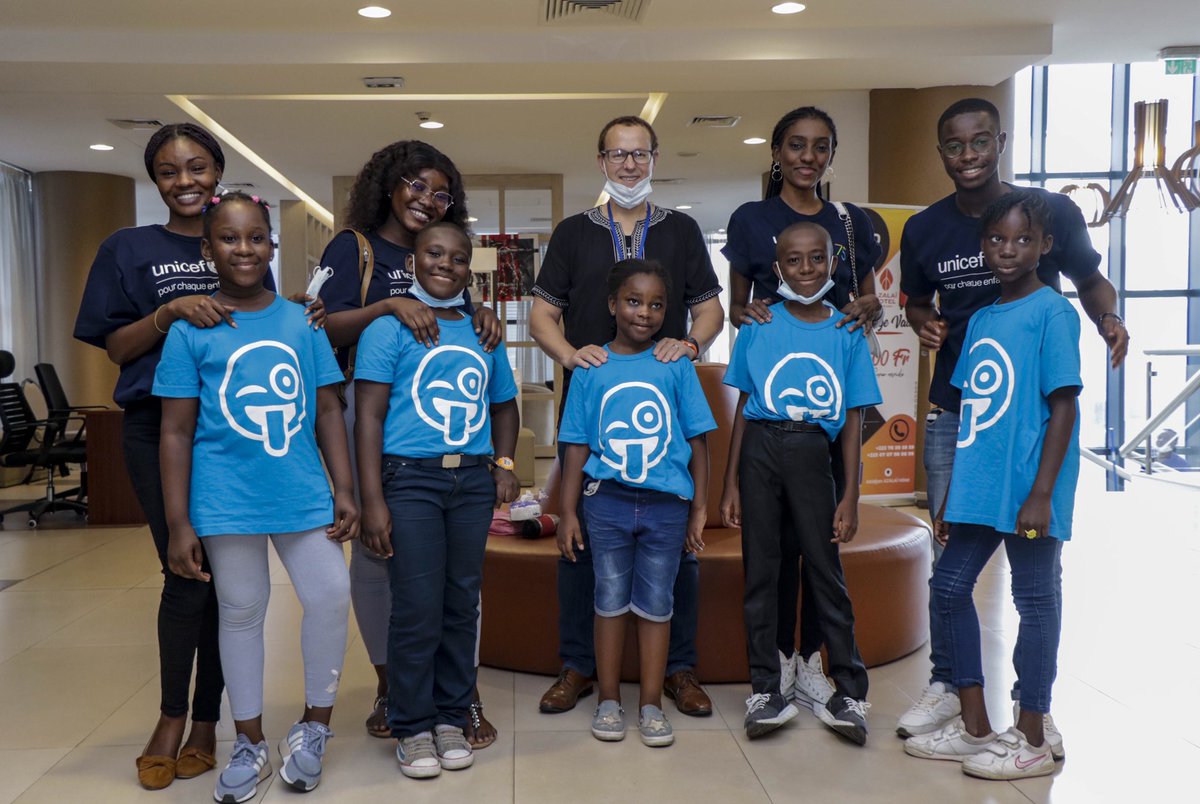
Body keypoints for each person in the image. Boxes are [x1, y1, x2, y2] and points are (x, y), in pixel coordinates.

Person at [72, 123, 318, 791]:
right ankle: (170, 716)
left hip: (237, 437)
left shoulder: (244, 239)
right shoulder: (128, 247)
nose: (186, 180)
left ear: (218, 171)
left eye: (199, 166)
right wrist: (168, 313)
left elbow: (257, 321)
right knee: (187, 575)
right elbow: (115, 349)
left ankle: (212, 722)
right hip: (163, 430)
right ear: (155, 180)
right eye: (170, 170)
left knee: (233, 588)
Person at [897, 97, 1128, 748]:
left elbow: (1090, 280)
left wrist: (1107, 320)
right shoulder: (926, 229)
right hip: (960, 413)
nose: (967, 155)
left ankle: (1034, 712)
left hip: (1028, 424)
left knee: (1033, 580)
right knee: (952, 567)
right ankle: (951, 689)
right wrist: (925, 323)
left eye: (979, 142)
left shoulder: (1049, 218)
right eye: (953, 145)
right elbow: (915, 302)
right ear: (940, 151)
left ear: (1001, 141)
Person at [155, 192, 356, 800]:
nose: (244, 249)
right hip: (224, 499)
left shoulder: (301, 322)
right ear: (207, 247)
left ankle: (314, 727)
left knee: (330, 593)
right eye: (229, 238)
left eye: (255, 238)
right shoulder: (192, 329)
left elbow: (326, 407)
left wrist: (343, 487)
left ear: (272, 244)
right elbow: (175, 430)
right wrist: (178, 523)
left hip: (300, 491)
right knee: (241, 612)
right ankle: (248, 742)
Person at [530, 115, 724, 718]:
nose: (630, 165)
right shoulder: (572, 233)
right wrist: (571, 357)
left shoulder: (684, 230)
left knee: (677, 548)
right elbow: (542, 314)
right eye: (619, 155)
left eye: (640, 155)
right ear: (601, 162)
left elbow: (710, 311)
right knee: (579, 537)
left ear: (655, 159)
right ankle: (579, 667)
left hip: (664, 410)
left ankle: (678, 669)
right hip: (593, 409)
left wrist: (690, 346)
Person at [318, 140, 502, 748]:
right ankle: (393, 687)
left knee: (452, 585)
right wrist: (391, 305)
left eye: (442, 192)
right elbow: (319, 325)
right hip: (375, 416)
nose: (428, 200)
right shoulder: (356, 247)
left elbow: (468, 335)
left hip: (453, 442)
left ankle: (456, 695)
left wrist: (485, 318)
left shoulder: (448, 251)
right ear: (390, 186)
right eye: (418, 186)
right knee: (382, 562)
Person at [903, 190, 1080, 780]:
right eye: (997, 240)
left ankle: (1031, 732)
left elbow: (1062, 408)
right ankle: (975, 723)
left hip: (1029, 487)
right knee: (949, 587)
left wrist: (1040, 492)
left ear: (1045, 246)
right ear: (983, 246)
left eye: (1022, 240)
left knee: (1034, 602)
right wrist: (951, 491)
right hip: (978, 487)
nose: (1008, 251)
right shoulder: (978, 319)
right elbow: (969, 409)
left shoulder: (1053, 312)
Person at [722, 105, 883, 717]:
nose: (807, 157)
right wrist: (752, 316)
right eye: (796, 145)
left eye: (820, 146)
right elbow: (740, 307)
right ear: (777, 153)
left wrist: (864, 310)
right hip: (768, 419)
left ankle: (820, 667)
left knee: (822, 554)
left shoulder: (849, 223)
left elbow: (867, 295)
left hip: (823, 413)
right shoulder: (752, 220)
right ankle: (774, 674)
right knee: (770, 558)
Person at [354, 222, 520, 779]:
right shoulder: (390, 328)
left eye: (456, 256)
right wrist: (372, 500)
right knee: (417, 606)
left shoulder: (483, 330)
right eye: (433, 253)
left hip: (471, 482)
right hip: (411, 482)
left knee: (460, 603)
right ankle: (412, 725)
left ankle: (452, 715)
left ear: (469, 266)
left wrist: (503, 463)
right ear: (415, 261)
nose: (445, 263)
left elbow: (504, 405)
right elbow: (369, 418)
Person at [555, 259, 716, 747]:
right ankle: (608, 700)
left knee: (656, 605)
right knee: (607, 600)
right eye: (633, 301)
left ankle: (650, 704)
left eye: (656, 305)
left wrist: (700, 507)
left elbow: (699, 441)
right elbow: (576, 445)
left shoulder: (676, 365)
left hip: (668, 505)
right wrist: (566, 512)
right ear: (612, 305)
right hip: (606, 502)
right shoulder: (591, 366)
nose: (644, 312)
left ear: (666, 311)